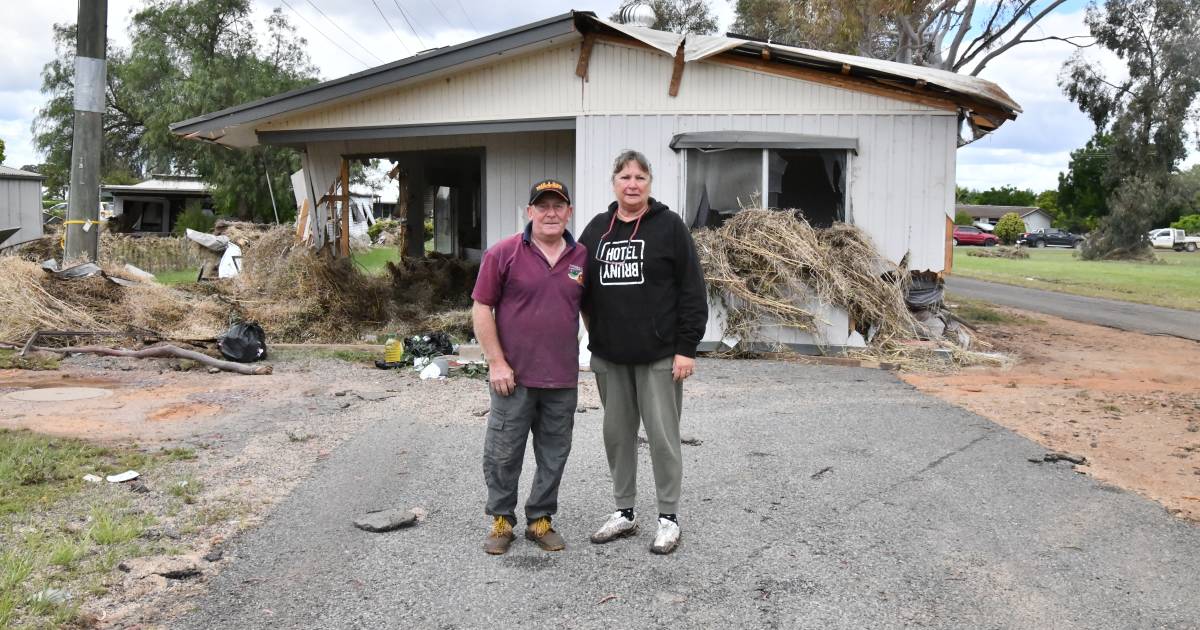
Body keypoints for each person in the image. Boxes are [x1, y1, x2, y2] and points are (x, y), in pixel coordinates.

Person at [578, 150, 708, 555]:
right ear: (613, 182)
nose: (631, 184)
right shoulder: (597, 230)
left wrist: (686, 348)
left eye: (639, 176)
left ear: (649, 182)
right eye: (624, 176)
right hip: (610, 356)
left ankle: (668, 517)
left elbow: (692, 289)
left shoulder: (669, 227)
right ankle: (625, 512)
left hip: (659, 356)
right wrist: (588, 327)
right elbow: (574, 280)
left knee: (663, 438)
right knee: (617, 437)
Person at [472, 179, 588, 555]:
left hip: (562, 377)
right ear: (530, 212)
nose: (550, 213)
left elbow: (592, 309)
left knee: (554, 453)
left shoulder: (582, 257)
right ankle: (502, 520)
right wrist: (496, 362)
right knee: (503, 451)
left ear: (569, 212)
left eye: (558, 206)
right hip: (513, 377)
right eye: (543, 206)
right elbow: (481, 308)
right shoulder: (503, 253)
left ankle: (540, 520)